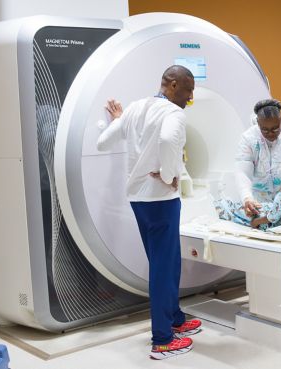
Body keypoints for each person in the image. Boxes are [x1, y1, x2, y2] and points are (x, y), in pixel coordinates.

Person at [97, 65, 201, 360]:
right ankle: (163, 340)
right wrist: (170, 176)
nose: (190, 96)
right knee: (163, 267)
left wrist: (120, 121)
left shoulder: (136, 107)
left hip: (138, 198)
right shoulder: (174, 114)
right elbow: (168, 141)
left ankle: (175, 319)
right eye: (187, 89)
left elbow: (103, 141)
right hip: (161, 199)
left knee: (165, 261)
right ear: (170, 85)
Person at [235, 99, 281, 219]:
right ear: (258, 123)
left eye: (275, 128)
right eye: (265, 130)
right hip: (260, 204)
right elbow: (243, 172)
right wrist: (247, 197)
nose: (270, 134)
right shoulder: (249, 138)